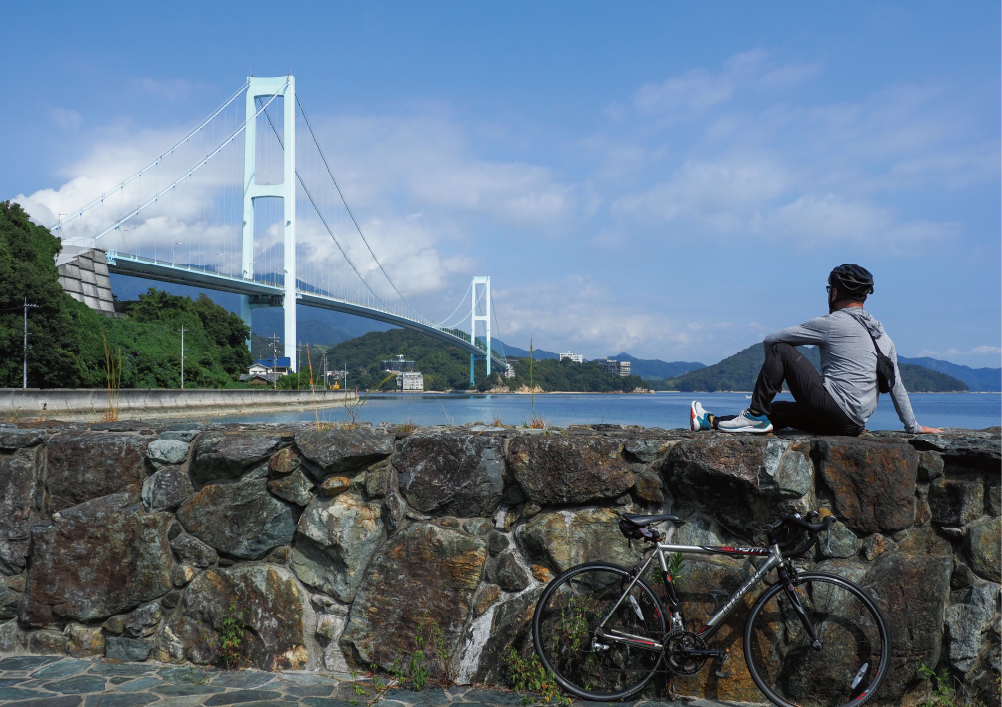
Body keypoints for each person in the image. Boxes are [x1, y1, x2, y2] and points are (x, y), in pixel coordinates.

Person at [690, 264, 941, 436]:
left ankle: (755, 413)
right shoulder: (882, 335)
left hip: (831, 411)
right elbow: (897, 386)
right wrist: (914, 427)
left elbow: (772, 340)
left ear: (834, 292)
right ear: (864, 297)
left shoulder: (833, 323)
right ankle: (710, 421)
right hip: (853, 426)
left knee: (781, 350)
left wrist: (774, 376)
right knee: (777, 412)